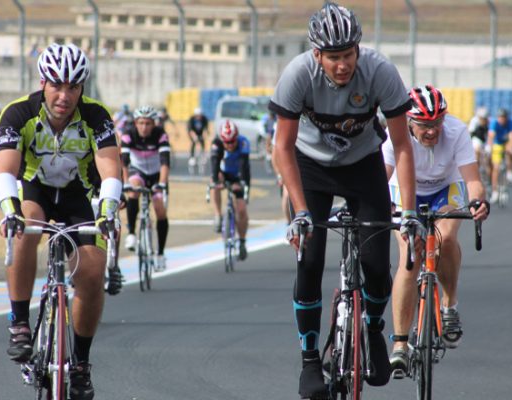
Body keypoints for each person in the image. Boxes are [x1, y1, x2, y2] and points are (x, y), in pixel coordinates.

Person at [269, 3, 420, 397]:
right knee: (310, 258)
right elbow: (281, 147)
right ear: (316, 54)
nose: (342, 65)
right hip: (310, 168)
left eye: (348, 55)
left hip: (363, 164)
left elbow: (402, 146)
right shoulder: (298, 74)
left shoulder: (380, 72)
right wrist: (300, 211)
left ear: (358, 50)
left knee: (374, 261)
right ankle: (308, 361)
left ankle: (372, 329)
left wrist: (410, 211)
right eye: (333, 57)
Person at [0, 43, 121, 400]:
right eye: (56, 85)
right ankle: (19, 322)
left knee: (92, 274)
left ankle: (80, 363)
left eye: (73, 87)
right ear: (43, 83)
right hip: (36, 193)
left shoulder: (97, 117)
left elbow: (111, 170)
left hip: (78, 197)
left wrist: (109, 211)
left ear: (82, 88)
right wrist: (9, 210)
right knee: (24, 227)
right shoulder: (18, 114)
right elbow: (5, 170)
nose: (64, 95)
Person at [382, 85, 490, 378]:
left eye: (437, 124)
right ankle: (400, 345)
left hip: (445, 188)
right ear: (409, 122)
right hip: (406, 191)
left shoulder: (456, 132)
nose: (432, 132)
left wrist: (478, 201)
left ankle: (449, 303)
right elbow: (383, 179)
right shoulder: (396, 133)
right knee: (409, 255)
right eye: (425, 126)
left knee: (446, 238)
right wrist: (376, 207)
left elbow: (472, 180)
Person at [121, 105, 171, 272]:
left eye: (148, 123)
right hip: (138, 172)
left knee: (159, 209)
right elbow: (124, 162)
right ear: (136, 123)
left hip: (157, 175)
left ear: (153, 123)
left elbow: (165, 163)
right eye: (141, 123)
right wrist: (126, 182)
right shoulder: (128, 134)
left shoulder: (160, 135)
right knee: (133, 189)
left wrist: (162, 184)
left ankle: (161, 254)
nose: (144, 127)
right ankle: (132, 234)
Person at [209, 119, 251, 260]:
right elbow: (214, 165)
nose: (230, 145)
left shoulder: (243, 142)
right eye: (226, 142)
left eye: (232, 141)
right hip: (223, 173)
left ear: (237, 137)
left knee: (241, 210)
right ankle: (217, 215)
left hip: (239, 174)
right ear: (222, 140)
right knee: (213, 183)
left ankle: (242, 242)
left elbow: (243, 164)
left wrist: (240, 183)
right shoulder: (216, 144)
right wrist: (216, 181)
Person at [487, 107, 512, 202]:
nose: (502, 119)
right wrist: (489, 148)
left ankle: (509, 171)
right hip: (497, 143)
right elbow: (491, 136)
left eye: (504, 117)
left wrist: (511, 148)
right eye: (500, 117)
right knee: (496, 168)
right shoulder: (494, 123)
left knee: (511, 151)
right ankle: (495, 191)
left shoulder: (511, 123)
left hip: (506, 142)